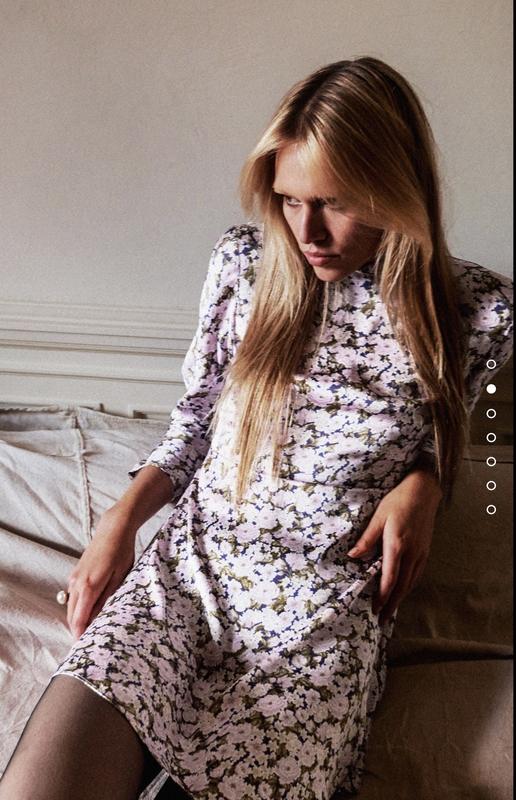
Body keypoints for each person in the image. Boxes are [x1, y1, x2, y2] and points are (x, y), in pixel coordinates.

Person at [0, 56, 513, 800]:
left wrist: (428, 483)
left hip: (317, 632)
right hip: (188, 580)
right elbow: (196, 421)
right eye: (290, 199)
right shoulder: (245, 266)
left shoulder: (481, 313)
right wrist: (120, 523)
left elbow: (468, 448)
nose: (308, 230)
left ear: (397, 187)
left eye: (335, 202)